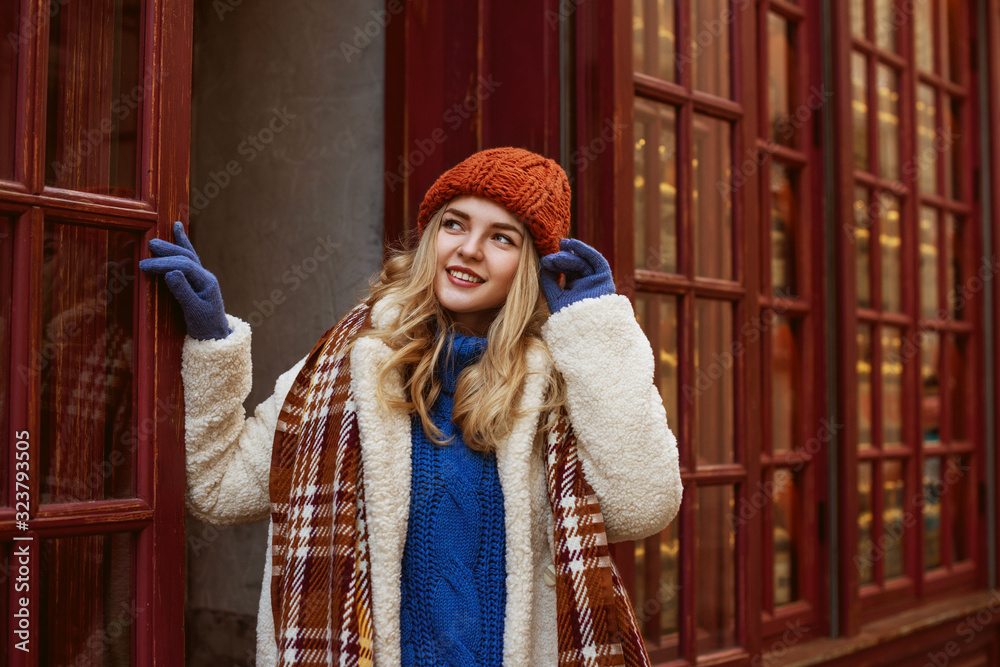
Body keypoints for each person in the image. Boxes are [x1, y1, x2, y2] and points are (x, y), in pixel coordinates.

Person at [141, 147, 682, 667]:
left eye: (501, 237)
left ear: (535, 265)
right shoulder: (349, 365)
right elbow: (217, 488)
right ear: (430, 238)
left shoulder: (558, 382)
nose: (469, 249)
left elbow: (643, 505)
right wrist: (212, 339)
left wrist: (597, 327)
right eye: (455, 224)